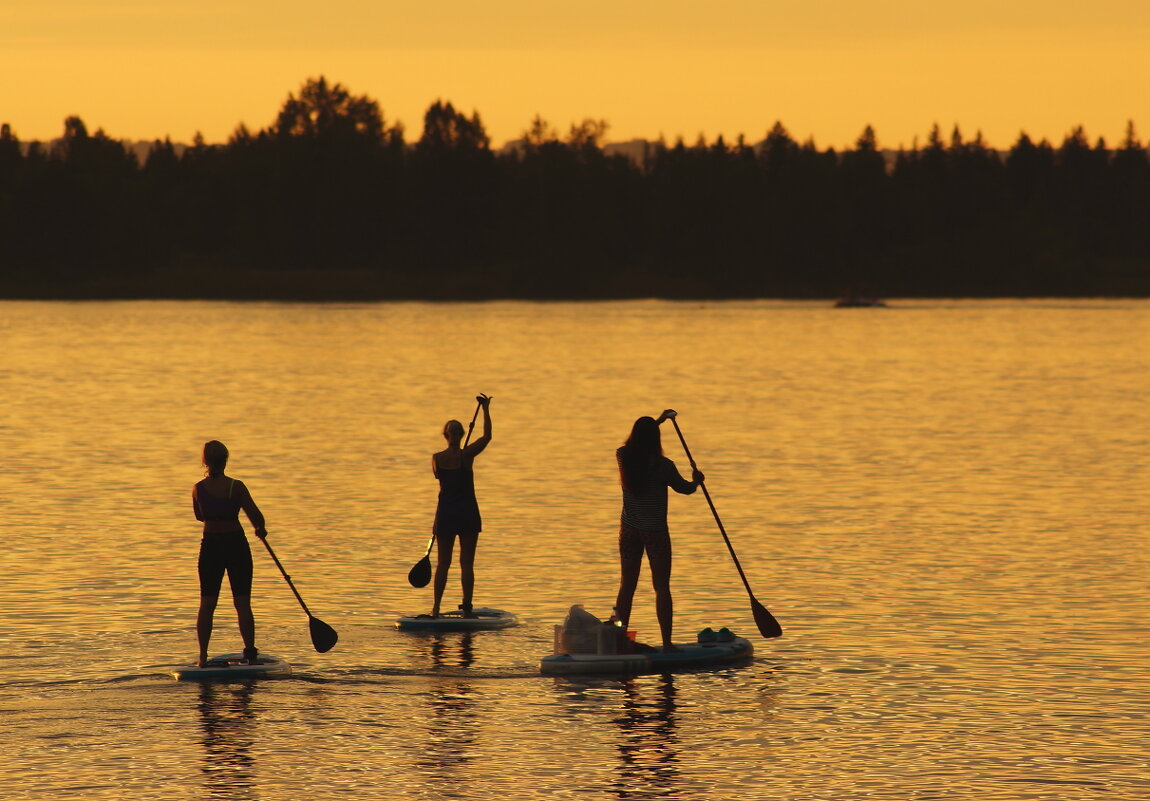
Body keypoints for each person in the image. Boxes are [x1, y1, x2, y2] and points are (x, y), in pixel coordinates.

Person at [613, 410, 703, 652]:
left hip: (629, 531)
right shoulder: (664, 466)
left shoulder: (623, 457)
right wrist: (697, 480)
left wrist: (659, 421)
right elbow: (685, 489)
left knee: (627, 586)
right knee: (661, 587)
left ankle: (619, 638)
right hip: (655, 533)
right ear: (656, 439)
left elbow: (635, 444)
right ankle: (666, 644)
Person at [192, 440, 267, 666]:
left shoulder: (198, 488)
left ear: (205, 461)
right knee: (242, 602)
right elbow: (256, 516)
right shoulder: (236, 487)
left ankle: (203, 657)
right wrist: (260, 529)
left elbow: (199, 516)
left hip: (211, 547)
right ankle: (250, 653)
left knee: (207, 602)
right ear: (226, 460)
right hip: (236, 546)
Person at [430, 394, 492, 618]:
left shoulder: (437, 458)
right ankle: (463, 607)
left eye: (457, 432)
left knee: (449, 563)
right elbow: (486, 436)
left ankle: (439, 608)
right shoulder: (467, 455)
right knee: (462, 563)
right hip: (463, 512)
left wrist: (485, 409)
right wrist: (485, 409)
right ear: (449, 435)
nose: (455, 435)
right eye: (454, 432)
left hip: (449, 513)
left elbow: (439, 477)